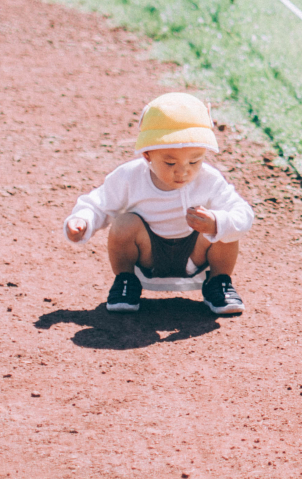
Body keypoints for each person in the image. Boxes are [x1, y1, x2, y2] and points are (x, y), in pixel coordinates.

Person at [64, 92, 253, 315]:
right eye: (170, 161)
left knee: (225, 223)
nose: (183, 170)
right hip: (148, 255)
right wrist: (82, 219)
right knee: (125, 223)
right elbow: (98, 203)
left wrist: (216, 223)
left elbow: (243, 213)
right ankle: (126, 282)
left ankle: (218, 283)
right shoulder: (129, 177)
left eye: (195, 160)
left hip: (195, 254)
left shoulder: (209, 180)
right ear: (147, 155)